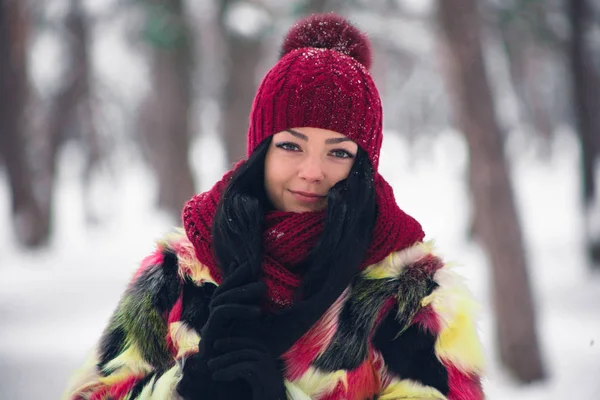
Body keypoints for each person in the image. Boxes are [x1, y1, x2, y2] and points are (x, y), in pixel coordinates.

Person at [64, 13, 485, 400]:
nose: (312, 171)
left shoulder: (412, 293)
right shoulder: (180, 272)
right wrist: (182, 387)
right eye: (290, 146)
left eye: (338, 153)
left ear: (364, 166)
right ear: (260, 150)